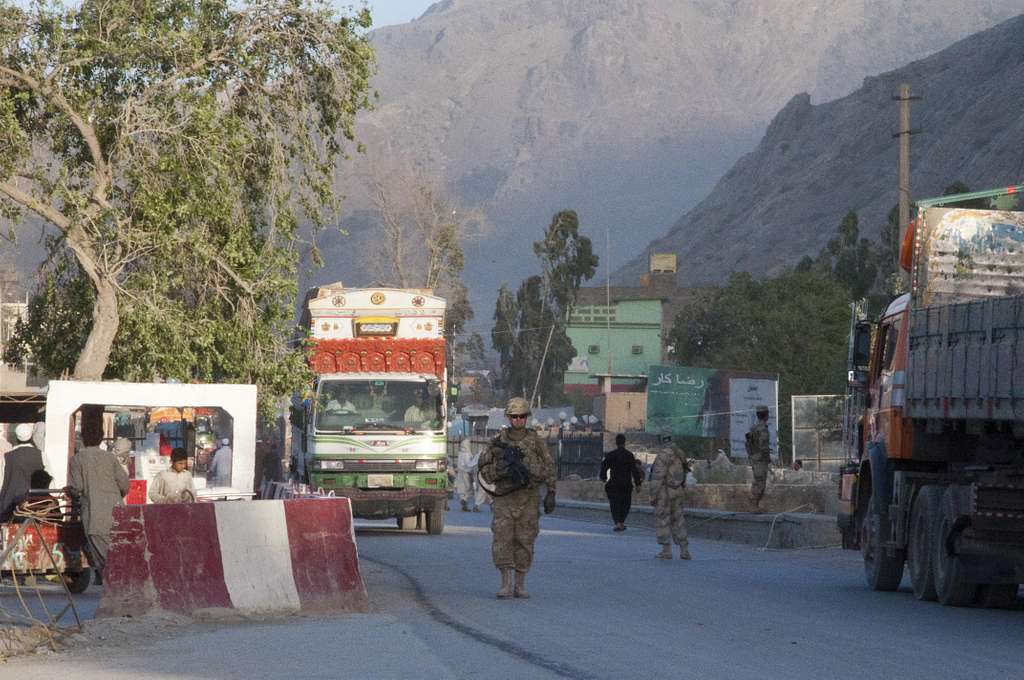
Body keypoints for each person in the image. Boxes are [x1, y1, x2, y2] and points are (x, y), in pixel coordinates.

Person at [478, 398, 556, 599]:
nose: (518, 420)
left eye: (522, 416)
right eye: (514, 416)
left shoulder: (536, 442)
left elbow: (549, 467)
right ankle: (506, 583)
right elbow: (483, 468)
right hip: (504, 497)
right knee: (503, 538)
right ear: (509, 418)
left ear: (527, 418)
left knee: (526, 539)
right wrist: (500, 470)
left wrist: (551, 493)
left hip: (528, 497)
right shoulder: (497, 442)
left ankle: (520, 585)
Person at [68, 408, 130, 581]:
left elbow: (77, 487)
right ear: (101, 437)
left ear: (83, 438)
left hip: (95, 515)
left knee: (106, 563)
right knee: (120, 557)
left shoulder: (77, 459)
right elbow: (125, 484)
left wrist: (71, 492)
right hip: (118, 513)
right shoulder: (110, 458)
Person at [649, 445, 691, 559]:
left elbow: (658, 476)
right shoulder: (680, 454)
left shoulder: (663, 455)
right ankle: (684, 550)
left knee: (663, 521)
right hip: (677, 491)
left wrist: (653, 495)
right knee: (679, 521)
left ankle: (666, 550)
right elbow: (685, 474)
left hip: (664, 493)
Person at [0, 423, 45, 521]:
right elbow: (49, 480)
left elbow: (2, 481)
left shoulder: (7, 456)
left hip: (11, 507)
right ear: (31, 436)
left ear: (16, 438)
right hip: (36, 506)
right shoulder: (41, 455)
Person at [600, 433, 643, 531]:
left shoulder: (611, 455)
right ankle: (621, 522)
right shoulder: (629, 455)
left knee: (615, 504)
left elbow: (604, 466)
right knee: (625, 504)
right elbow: (634, 470)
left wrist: (603, 477)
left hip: (614, 483)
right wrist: (638, 484)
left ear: (616, 443)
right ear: (624, 443)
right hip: (626, 484)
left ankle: (618, 523)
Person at [456, 422, 489, 512]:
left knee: (465, 490)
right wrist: (472, 471)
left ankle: (465, 502)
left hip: (464, 473)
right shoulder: (467, 454)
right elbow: (469, 465)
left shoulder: (461, 453)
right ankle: (473, 505)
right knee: (469, 489)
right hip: (468, 473)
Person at [745, 405, 773, 509]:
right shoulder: (763, 429)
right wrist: (767, 458)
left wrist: (752, 456)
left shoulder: (754, 427)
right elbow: (763, 446)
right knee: (760, 483)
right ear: (766, 415)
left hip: (754, 458)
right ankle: (753, 505)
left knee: (758, 481)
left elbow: (748, 444)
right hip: (761, 459)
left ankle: (755, 505)